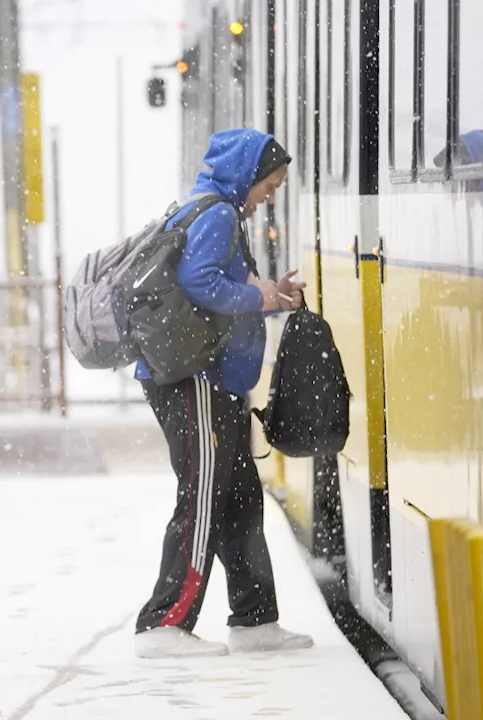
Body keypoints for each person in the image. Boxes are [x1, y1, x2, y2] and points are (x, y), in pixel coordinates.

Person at [132, 128, 313, 659]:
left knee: (238, 500)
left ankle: (255, 620)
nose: (271, 197)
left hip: (214, 381)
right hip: (195, 381)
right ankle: (162, 624)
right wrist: (257, 298)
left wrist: (272, 297)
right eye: (270, 185)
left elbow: (228, 292)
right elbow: (200, 283)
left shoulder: (219, 213)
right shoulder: (217, 214)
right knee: (204, 497)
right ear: (248, 176)